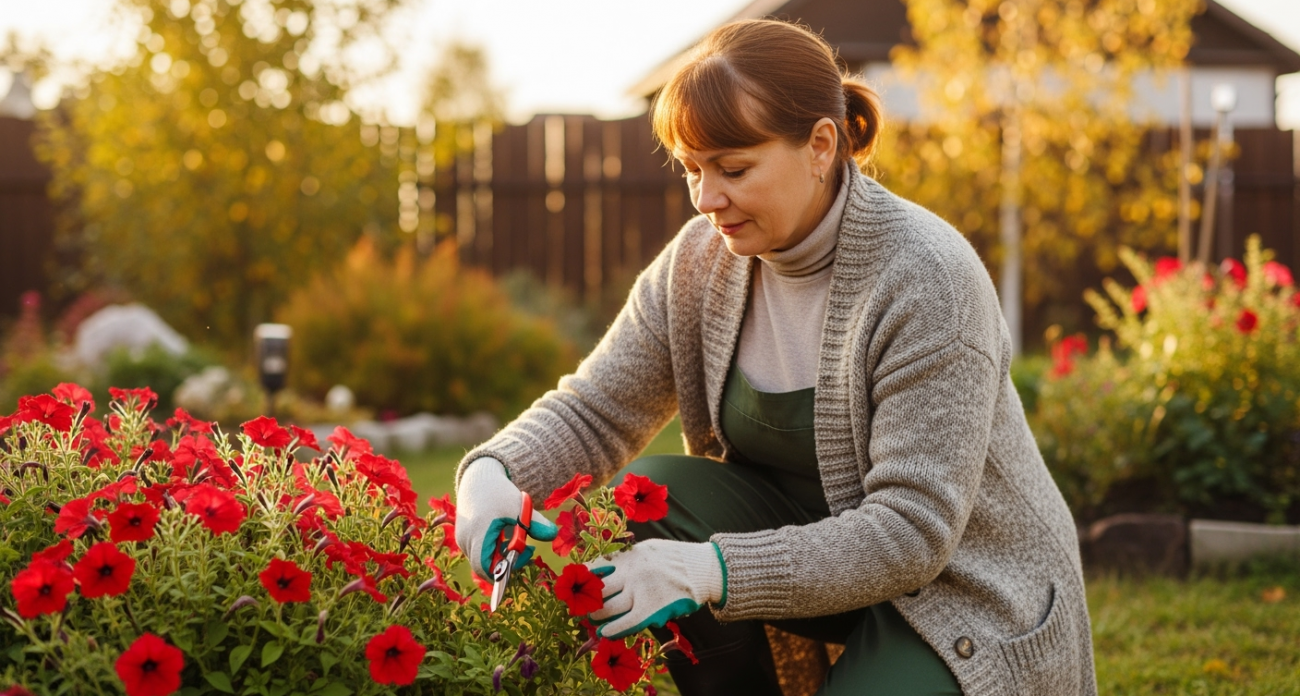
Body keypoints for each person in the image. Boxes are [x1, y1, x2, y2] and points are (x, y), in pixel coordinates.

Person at [455, 18, 1096, 696]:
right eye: (693, 171)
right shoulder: (699, 265)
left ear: (821, 145)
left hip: (962, 588)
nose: (707, 200)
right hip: (828, 568)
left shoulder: (925, 278)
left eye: (733, 169)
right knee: (648, 496)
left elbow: (912, 533)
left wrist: (706, 571)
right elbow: (597, 409)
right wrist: (493, 473)